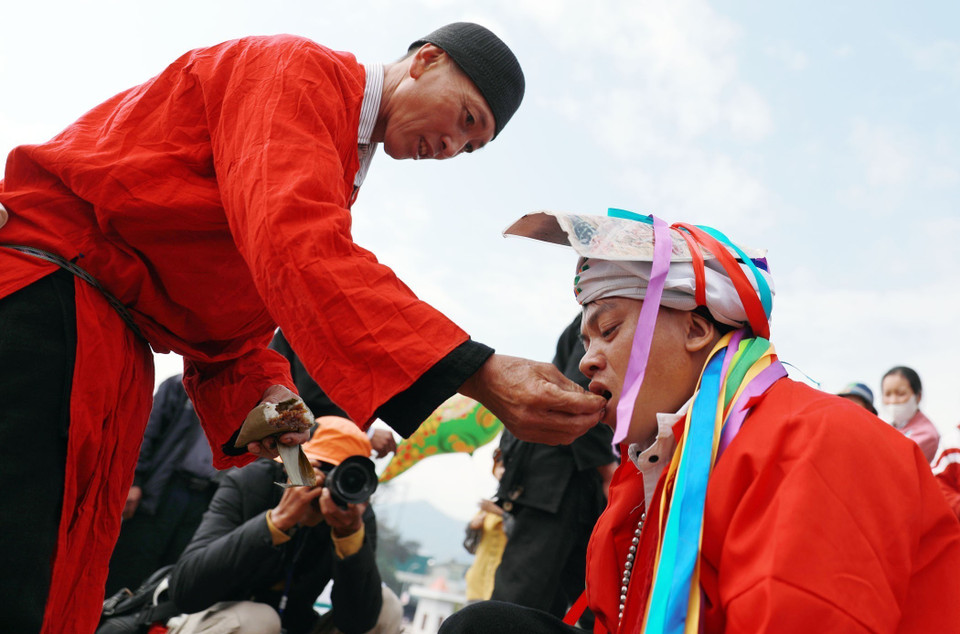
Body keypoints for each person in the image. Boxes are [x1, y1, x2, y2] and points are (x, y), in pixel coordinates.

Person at [0, 22, 606, 632]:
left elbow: (230, 325)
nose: (453, 147)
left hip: (112, 347)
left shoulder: (337, 158)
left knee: (60, 579)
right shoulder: (299, 72)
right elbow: (298, 244)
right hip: (50, 302)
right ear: (426, 60)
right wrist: (474, 368)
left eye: (471, 147)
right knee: (19, 561)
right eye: (467, 118)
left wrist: (283, 424)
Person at [440, 210, 960, 633]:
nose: (586, 361)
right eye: (586, 341)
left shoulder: (819, 439)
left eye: (610, 329)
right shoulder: (648, 473)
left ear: (694, 328)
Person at [168, 416, 402, 634]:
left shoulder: (354, 515)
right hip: (216, 616)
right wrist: (276, 522)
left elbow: (358, 623)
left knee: (387, 605)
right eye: (311, 470)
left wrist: (349, 538)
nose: (321, 486)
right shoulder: (253, 483)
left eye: (335, 478)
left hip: (295, 624)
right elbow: (186, 592)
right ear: (288, 464)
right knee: (259, 617)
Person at [491, 314, 617, 622]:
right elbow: (582, 398)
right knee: (519, 602)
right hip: (557, 474)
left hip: (574, 476)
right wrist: (608, 472)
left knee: (588, 603)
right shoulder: (608, 306)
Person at [105, 374, 220, 597]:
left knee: (170, 576)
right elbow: (145, 433)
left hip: (206, 498)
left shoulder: (246, 400)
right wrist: (135, 481)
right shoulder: (179, 386)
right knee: (130, 566)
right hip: (163, 490)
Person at [271, 329, 398, 458]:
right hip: (314, 448)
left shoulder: (293, 326)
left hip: (298, 443)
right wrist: (364, 432)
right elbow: (314, 394)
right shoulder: (311, 324)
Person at [464, 449, 508, 603]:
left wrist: (501, 514)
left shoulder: (521, 506)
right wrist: (473, 527)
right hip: (478, 583)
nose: (502, 471)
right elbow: (470, 545)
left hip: (504, 585)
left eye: (506, 467)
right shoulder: (487, 506)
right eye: (500, 466)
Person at [880, 366, 940, 464]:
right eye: (887, 394)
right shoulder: (887, 427)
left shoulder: (927, 435)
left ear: (918, 396)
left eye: (901, 394)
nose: (893, 401)